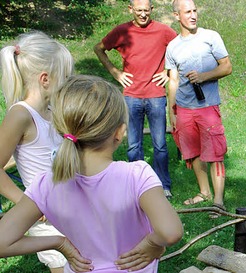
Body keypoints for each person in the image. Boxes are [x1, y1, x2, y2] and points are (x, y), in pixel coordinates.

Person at [0, 75, 184, 272]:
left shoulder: (45, 185)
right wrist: (152, 243)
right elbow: (171, 232)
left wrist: (59, 243)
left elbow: (3, 242)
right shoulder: (136, 175)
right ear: (120, 132)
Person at [0, 30, 74, 273]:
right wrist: (26, 204)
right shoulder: (20, 114)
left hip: (69, 210)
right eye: (65, 77)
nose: (67, 82)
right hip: (48, 220)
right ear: (45, 79)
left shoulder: (51, 111)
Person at [94, 0, 177, 199]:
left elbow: (179, 48)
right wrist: (115, 72)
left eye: (146, 11)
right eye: (138, 11)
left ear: (152, 10)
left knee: (160, 144)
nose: (142, 15)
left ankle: (162, 185)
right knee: (133, 145)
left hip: (156, 96)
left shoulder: (163, 31)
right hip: (131, 96)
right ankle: (134, 185)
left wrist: (168, 72)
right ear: (130, 9)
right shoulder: (122, 31)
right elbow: (98, 48)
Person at [166, 0, 233, 208]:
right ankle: (204, 192)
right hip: (184, 110)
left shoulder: (210, 37)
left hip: (208, 108)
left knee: (215, 154)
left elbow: (227, 67)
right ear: (177, 16)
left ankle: (218, 201)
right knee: (193, 153)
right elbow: (173, 80)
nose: (193, 15)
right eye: (188, 12)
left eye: (195, 10)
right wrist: (172, 111)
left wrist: (204, 77)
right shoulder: (173, 46)